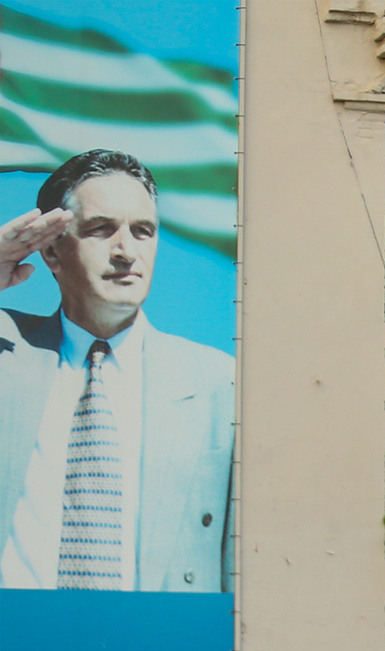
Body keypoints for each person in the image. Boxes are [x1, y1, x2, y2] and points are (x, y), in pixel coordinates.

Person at [0, 150, 233, 593]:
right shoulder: (6, 352)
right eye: (101, 229)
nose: (126, 251)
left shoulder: (220, 384)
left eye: (143, 231)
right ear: (51, 250)